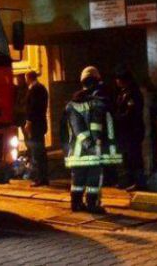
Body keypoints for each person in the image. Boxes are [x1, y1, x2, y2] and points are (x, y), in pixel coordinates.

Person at [63, 66, 122, 213]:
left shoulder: (71, 105)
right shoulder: (99, 102)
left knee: (78, 180)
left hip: (77, 152)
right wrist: (94, 145)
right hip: (93, 150)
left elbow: (73, 129)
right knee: (93, 179)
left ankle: (76, 203)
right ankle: (92, 204)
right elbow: (97, 127)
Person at [113, 67, 146, 191]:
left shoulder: (133, 93)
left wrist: (117, 118)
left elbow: (131, 113)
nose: (116, 81)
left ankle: (139, 182)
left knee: (135, 156)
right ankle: (128, 181)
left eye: (118, 79)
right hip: (126, 131)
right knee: (127, 157)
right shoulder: (124, 92)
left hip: (133, 130)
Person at [23, 71, 49, 186]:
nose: (25, 80)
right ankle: (43, 177)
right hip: (40, 124)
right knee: (40, 151)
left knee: (37, 152)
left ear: (29, 78)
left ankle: (40, 178)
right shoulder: (41, 88)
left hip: (35, 125)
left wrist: (29, 122)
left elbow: (33, 108)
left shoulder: (35, 89)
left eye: (26, 78)